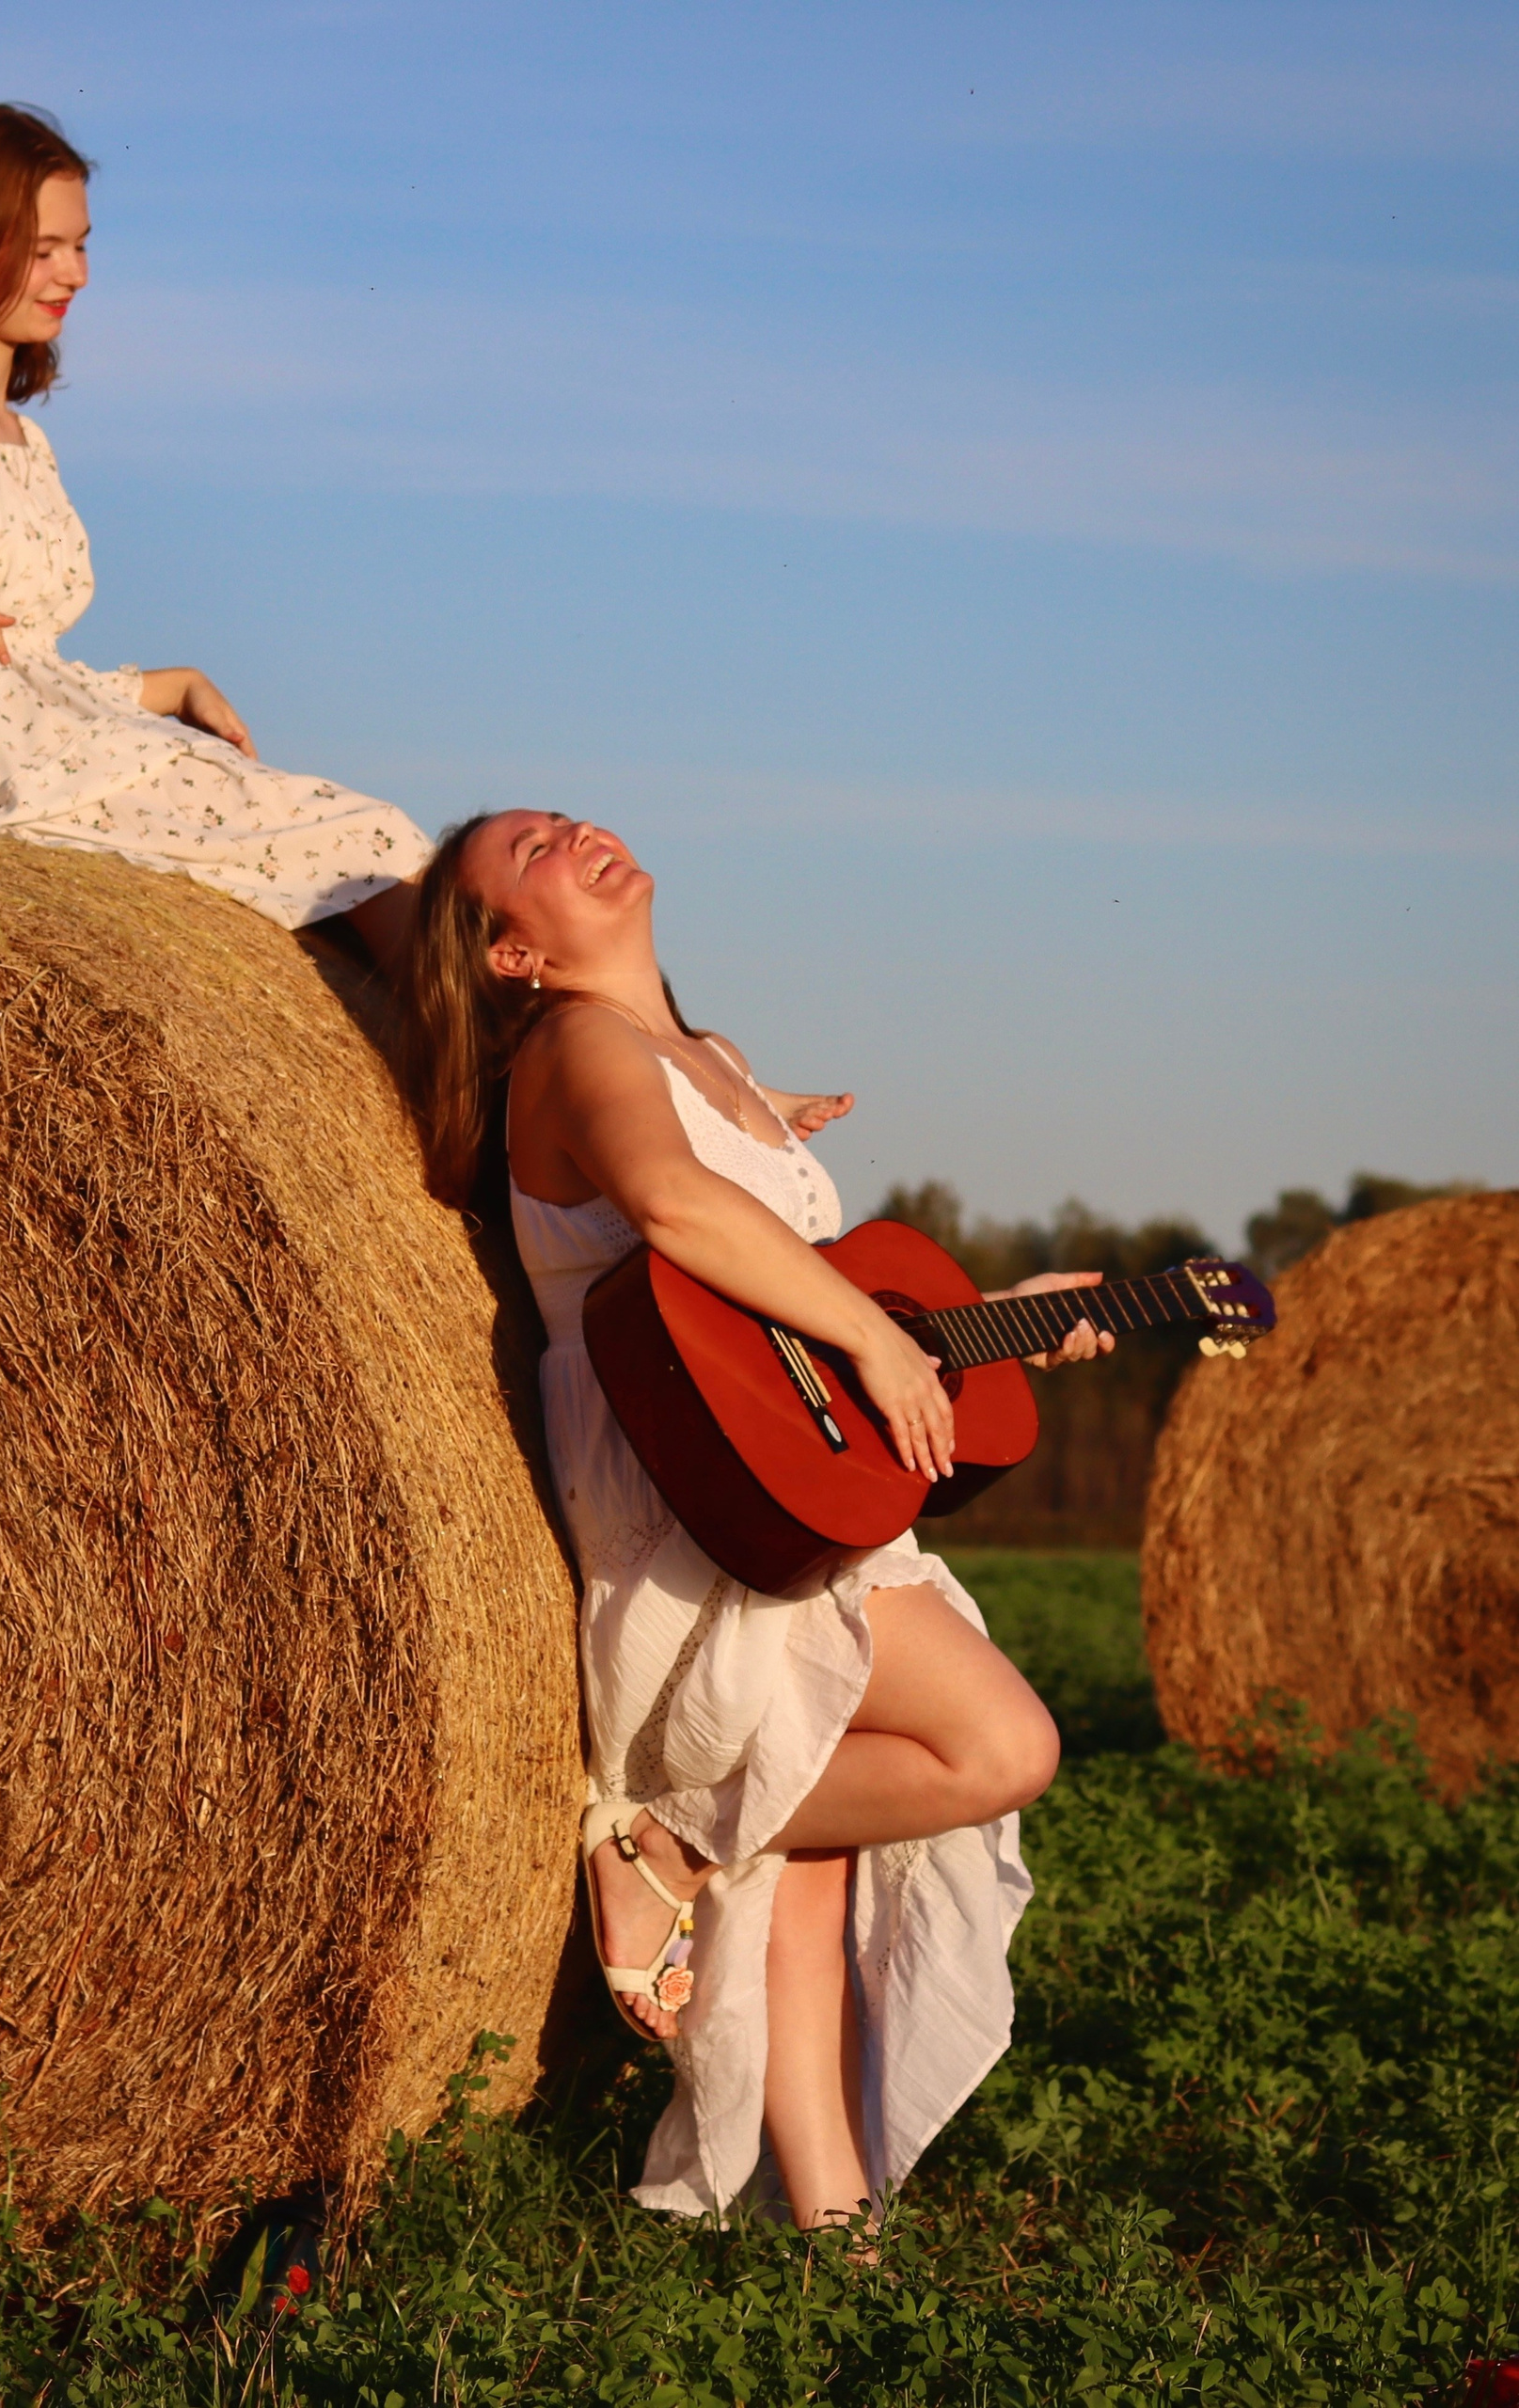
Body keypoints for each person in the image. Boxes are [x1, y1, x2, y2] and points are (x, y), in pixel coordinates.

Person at [402, 809, 1115, 2229]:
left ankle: (831, 2234)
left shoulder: (715, 1062)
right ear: (513, 952)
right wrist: (881, 1339)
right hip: (692, 1501)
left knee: (810, 1867)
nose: (576, 832)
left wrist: (983, 1330)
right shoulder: (573, 1048)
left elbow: (785, 1302)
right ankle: (668, 1831)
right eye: (533, 852)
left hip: (781, 1468)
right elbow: (672, 1211)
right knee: (1002, 1745)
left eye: (567, 815)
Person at [0, 104, 422, 965]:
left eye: (80, 244)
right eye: (43, 250)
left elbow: (20, 666)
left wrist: (160, 685)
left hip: (46, 753)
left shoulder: (27, 444)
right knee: (357, 844)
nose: (75, 273)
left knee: (367, 851)